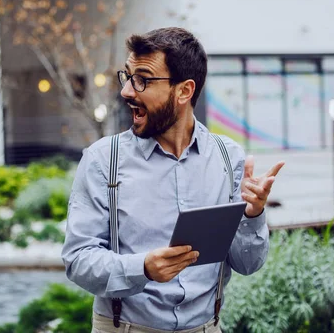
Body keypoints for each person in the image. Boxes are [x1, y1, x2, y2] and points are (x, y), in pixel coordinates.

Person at [61, 27, 284, 332]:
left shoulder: (227, 157)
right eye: (127, 76)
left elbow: (247, 264)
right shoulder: (102, 161)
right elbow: (79, 260)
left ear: (184, 91)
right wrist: (142, 269)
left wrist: (253, 215)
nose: (127, 91)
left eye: (142, 80)